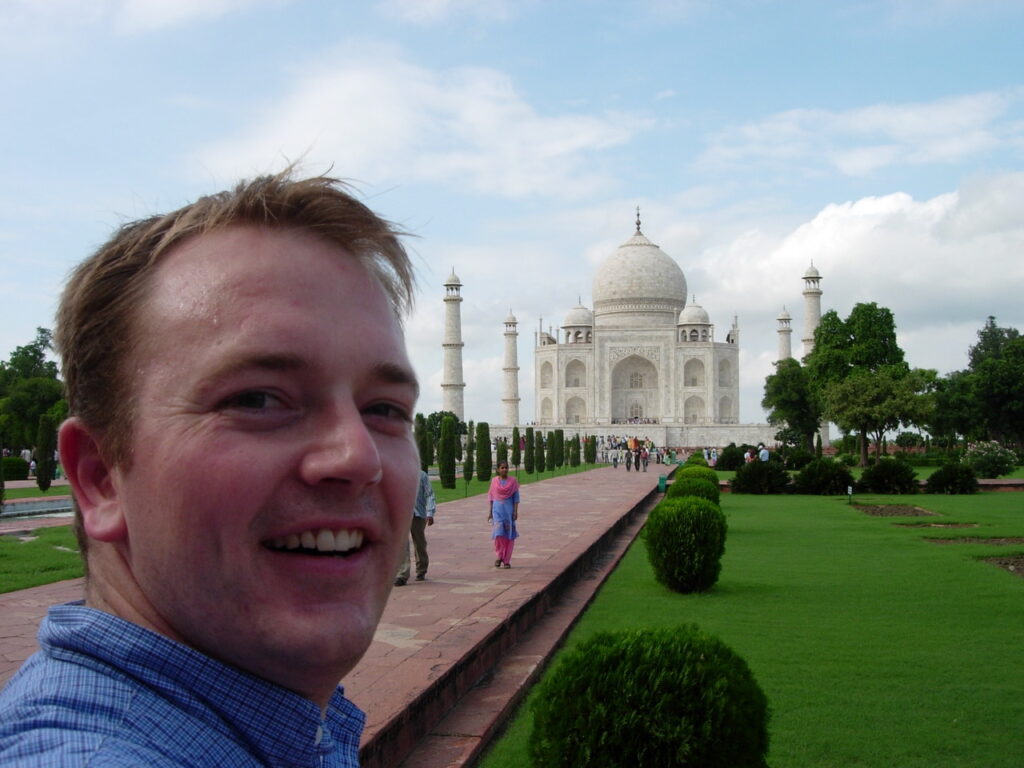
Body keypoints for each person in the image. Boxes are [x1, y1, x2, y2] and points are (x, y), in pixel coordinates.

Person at [0, 170, 421, 767]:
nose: (358, 456)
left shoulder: (275, 721)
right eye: (256, 399)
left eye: (384, 409)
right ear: (100, 476)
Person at [394, 470, 436, 586]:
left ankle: (421, 569)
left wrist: (430, 513)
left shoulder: (422, 475)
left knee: (419, 543)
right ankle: (402, 575)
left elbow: (429, 494)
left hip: (418, 514)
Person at [487, 460, 520, 568]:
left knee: (509, 535)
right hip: (497, 511)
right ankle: (499, 555)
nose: (504, 469)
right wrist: (490, 512)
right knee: (498, 534)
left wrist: (515, 511)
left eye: (506, 467)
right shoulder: (494, 481)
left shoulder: (513, 482)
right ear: (498, 469)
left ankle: (506, 560)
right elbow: (491, 497)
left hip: (508, 512)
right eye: (502, 468)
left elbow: (516, 498)